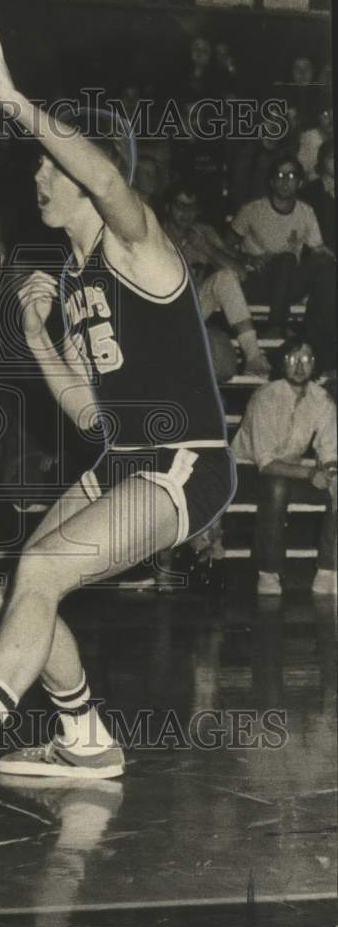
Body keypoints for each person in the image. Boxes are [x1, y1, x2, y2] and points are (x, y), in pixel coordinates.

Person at [0, 24, 235, 829]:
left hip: (183, 465)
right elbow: (91, 416)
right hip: (125, 456)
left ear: (81, 173)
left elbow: (104, 174)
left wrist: (17, 105)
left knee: (37, 578)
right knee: (18, 585)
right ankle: (87, 741)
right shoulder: (71, 275)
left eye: (48, 163)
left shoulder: (140, 246)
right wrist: (37, 341)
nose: (39, 174)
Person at [232, 339, 336, 596]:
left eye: (306, 359)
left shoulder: (320, 399)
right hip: (246, 473)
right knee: (277, 487)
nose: (299, 366)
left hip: (291, 471)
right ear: (282, 363)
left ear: (315, 365)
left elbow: (329, 450)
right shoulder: (266, 396)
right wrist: (312, 473)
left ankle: (327, 570)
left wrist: (331, 474)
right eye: (292, 359)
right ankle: (268, 572)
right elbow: (266, 463)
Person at [163, 184, 270, 377]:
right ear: (168, 207)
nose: (186, 213)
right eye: (180, 206)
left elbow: (240, 272)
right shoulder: (156, 233)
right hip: (164, 311)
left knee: (226, 277)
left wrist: (206, 247)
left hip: (195, 305)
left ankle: (253, 357)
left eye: (191, 207)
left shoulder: (204, 232)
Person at [229, 155, 331, 338]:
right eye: (280, 175)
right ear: (272, 181)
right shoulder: (252, 210)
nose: (285, 181)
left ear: (300, 183)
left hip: (289, 282)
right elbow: (224, 245)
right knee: (286, 259)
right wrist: (248, 258)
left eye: (291, 176)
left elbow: (318, 250)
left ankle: (319, 332)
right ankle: (277, 326)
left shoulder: (305, 212)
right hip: (256, 281)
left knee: (321, 263)